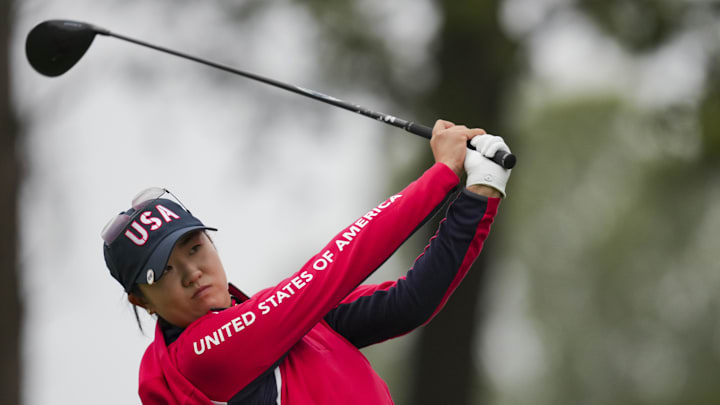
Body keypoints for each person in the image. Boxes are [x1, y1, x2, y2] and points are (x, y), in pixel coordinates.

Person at [101, 119, 512, 404]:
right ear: (142, 300)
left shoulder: (278, 325)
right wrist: (441, 173)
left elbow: (410, 301)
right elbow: (332, 269)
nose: (192, 273)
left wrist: (481, 191)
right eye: (166, 270)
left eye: (194, 248)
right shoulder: (201, 356)